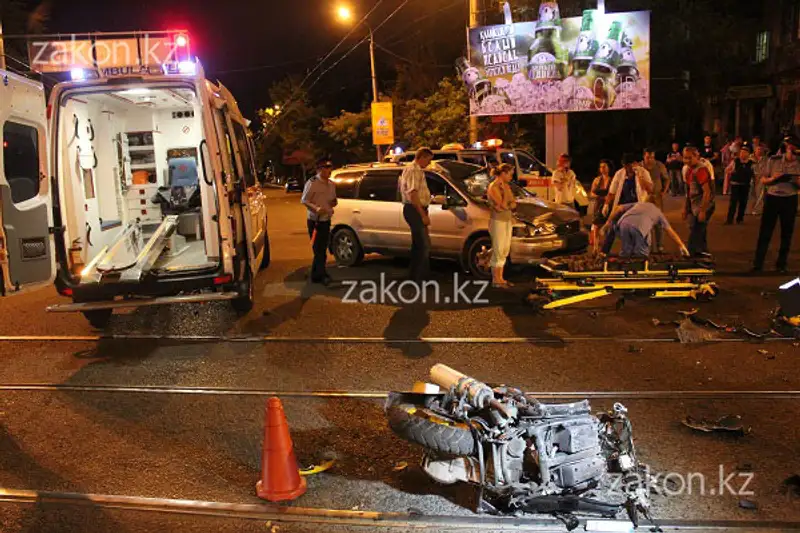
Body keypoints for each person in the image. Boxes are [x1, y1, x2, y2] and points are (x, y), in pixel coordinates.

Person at [752, 135, 800, 274]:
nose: (791, 149)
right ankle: (758, 264)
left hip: (789, 199)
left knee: (787, 233)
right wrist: (774, 178)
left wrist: (796, 181)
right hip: (773, 198)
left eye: (793, 146)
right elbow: (763, 180)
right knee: (765, 232)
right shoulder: (774, 160)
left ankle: (781, 264)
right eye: (788, 146)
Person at [600, 202, 690, 258]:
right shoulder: (658, 213)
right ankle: (639, 276)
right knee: (641, 255)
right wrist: (681, 245)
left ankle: (623, 274)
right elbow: (670, 230)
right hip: (640, 227)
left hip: (623, 223)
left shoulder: (639, 204)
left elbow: (618, 208)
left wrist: (607, 223)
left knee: (626, 253)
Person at [399, 147, 435, 282]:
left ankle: (415, 276)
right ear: (422, 157)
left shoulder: (416, 170)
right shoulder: (414, 170)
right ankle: (421, 278)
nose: (429, 163)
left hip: (416, 209)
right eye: (428, 160)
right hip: (414, 209)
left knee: (418, 245)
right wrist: (423, 215)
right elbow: (413, 194)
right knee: (424, 245)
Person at [301, 158, 338, 285]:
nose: (329, 170)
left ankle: (315, 274)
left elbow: (333, 200)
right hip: (315, 221)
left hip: (326, 220)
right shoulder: (312, 183)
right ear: (319, 169)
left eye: (330, 167)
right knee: (318, 249)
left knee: (322, 248)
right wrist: (316, 209)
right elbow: (304, 200)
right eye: (326, 167)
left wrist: (333, 203)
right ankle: (321, 275)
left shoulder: (332, 184)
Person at [487, 163, 517, 288]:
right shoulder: (493, 187)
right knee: (498, 249)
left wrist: (508, 203)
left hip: (507, 220)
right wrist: (505, 194)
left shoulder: (506, 186)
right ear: (503, 174)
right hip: (498, 221)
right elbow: (502, 205)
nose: (511, 177)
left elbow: (514, 204)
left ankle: (501, 278)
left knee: (505, 249)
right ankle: (496, 279)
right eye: (510, 174)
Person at [682, 146, 716, 256]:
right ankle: (703, 254)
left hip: (703, 206)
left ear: (697, 157)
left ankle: (692, 255)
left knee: (695, 235)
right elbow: (689, 192)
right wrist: (686, 208)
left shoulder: (701, 170)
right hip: (695, 207)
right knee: (699, 232)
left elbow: (707, 192)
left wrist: (703, 210)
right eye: (685, 158)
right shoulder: (688, 170)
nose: (687, 161)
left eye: (689, 158)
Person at [642, 148, 669, 252]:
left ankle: (659, 245)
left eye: (652, 157)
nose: (650, 159)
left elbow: (667, 179)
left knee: (658, 221)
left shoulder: (659, 166)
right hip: (644, 198)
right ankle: (647, 245)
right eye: (648, 157)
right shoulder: (640, 167)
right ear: (644, 156)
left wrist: (664, 192)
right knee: (645, 221)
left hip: (657, 197)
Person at [724, 144, 754, 225]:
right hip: (735, 184)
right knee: (733, 203)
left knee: (743, 202)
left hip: (745, 185)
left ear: (748, 154)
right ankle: (729, 220)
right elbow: (727, 170)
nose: (742, 154)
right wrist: (732, 172)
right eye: (741, 152)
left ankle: (740, 219)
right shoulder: (735, 161)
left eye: (744, 152)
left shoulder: (751, 163)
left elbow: (755, 174)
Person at [590, 160, 613, 253]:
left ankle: (604, 248)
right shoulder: (597, 180)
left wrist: (607, 199)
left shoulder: (612, 179)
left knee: (607, 225)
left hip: (608, 204)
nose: (602, 169)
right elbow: (592, 193)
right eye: (601, 167)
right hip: (598, 204)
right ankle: (595, 247)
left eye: (604, 166)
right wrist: (600, 196)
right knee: (596, 225)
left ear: (609, 168)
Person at [749, 144, 769, 215]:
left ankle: (757, 210)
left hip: (760, 178)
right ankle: (749, 209)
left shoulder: (765, 159)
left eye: (761, 149)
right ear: (754, 150)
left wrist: (760, 176)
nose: (759, 151)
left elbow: (766, 170)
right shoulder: (750, 159)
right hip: (751, 178)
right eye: (758, 149)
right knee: (751, 194)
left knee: (760, 194)